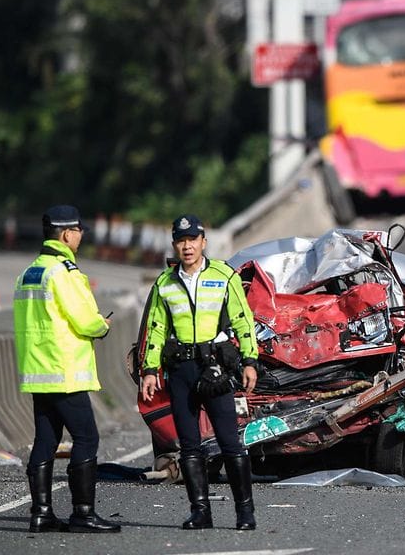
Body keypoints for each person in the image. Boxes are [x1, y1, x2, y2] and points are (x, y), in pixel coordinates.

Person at [140, 214, 259, 530]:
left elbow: (243, 321)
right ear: (174, 245)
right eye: (181, 241)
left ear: (203, 242)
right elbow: (156, 328)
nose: (187, 246)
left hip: (215, 368)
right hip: (181, 370)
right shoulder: (165, 283)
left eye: (192, 240)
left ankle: (245, 513)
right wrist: (150, 370)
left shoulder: (224, 276)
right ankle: (200, 512)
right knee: (189, 446)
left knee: (230, 442)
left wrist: (250, 362)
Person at [14, 205, 120, 533]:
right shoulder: (65, 272)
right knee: (87, 437)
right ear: (66, 234)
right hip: (65, 370)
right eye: (78, 231)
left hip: (38, 372)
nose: (81, 235)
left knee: (45, 440)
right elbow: (85, 319)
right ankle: (83, 513)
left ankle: (41, 513)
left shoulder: (29, 273)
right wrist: (102, 325)